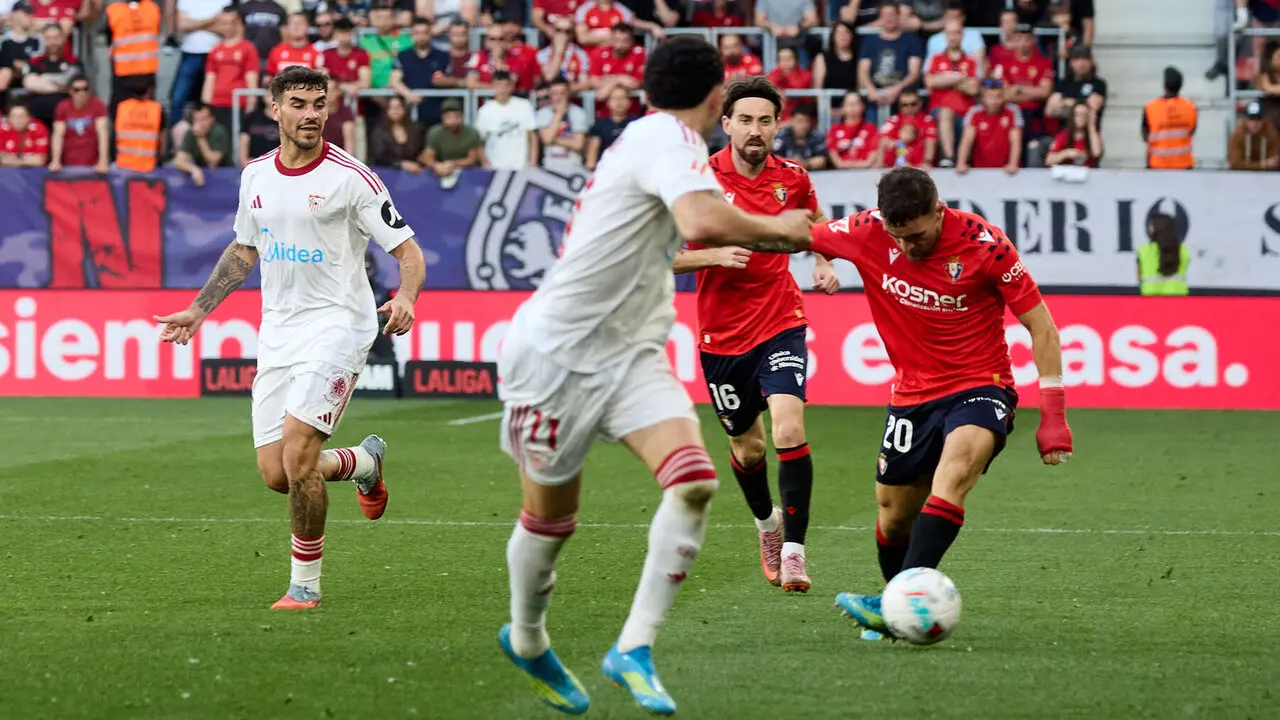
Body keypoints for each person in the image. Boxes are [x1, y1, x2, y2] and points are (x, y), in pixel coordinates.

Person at [496, 36, 813, 717]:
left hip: (631, 356)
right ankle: (526, 637)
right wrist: (780, 228)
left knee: (696, 481)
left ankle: (632, 649)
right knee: (551, 523)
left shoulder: (664, 141)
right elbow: (699, 221)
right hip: (557, 356)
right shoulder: (665, 139)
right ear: (715, 98)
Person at [154, 66, 427, 611]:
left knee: (300, 452)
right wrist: (199, 309)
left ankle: (305, 585)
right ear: (273, 109)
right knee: (280, 474)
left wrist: (406, 297)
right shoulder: (255, 175)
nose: (311, 114)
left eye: (319, 103)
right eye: (299, 103)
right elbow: (244, 250)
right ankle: (363, 464)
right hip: (279, 331)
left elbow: (408, 251)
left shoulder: (353, 178)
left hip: (340, 325)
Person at [801, 167, 1073, 641]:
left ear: (938, 210)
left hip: (980, 385)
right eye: (897, 237)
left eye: (918, 235)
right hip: (910, 395)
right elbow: (806, 234)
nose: (908, 248)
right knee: (892, 513)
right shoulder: (868, 230)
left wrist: (1053, 415)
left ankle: (891, 606)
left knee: (951, 479)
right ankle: (897, 610)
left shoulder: (986, 245)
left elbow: (1042, 327)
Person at [672, 75, 838, 594]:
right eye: (745, 120)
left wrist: (824, 259)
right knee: (748, 450)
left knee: (789, 429)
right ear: (726, 125)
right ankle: (768, 525)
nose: (755, 130)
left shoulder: (793, 177)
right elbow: (662, 255)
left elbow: (817, 223)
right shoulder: (696, 181)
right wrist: (713, 255)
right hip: (721, 337)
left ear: (776, 126)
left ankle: (794, 552)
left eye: (765, 121)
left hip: (781, 320)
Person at [1142, 67, 1197, 170]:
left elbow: (1145, 136)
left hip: (1157, 166)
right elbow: (1192, 131)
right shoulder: (1191, 107)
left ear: (1164, 85)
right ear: (1181, 85)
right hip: (1184, 166)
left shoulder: (1150, 107)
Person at [1138, 213, 1190, 296]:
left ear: (1155, 228)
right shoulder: (1184, 250)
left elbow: (1139, 278)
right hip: (1178, 298)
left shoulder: (1143, 250)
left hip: (1150, 298)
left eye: (1151, 225)